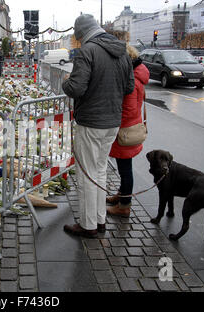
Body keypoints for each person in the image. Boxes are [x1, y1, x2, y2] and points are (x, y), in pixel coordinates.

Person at [62, 14, 134, 239]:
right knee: (100, 171)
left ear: (82, 34)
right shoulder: (120, 50)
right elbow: (129, 86)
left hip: (91, 123)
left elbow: (76, 88)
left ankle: (88, 224)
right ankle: (100, 220)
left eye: (78, 37)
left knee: (86, 175)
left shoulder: (87, 51)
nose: (79, 41)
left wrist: (65, 81)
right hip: (112, 122)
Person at [106, 45, 150, 217]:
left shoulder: (132, 78)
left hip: (125, 130)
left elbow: (128, 109)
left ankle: (124, 206)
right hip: (131, 126)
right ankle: (121, 195)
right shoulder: (138, 74)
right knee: (125, 167)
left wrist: (113, 122)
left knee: (125, 169)